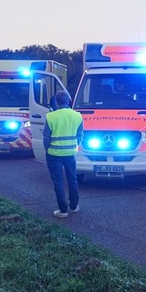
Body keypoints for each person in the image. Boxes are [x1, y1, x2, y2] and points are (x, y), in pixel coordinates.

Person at [44, 90, 84, 218]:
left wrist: (47, 150)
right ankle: (73, 206)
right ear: (69, 100)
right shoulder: (77, 116)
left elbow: (46, 137)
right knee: (72, 179)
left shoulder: (51, 116)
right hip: (70, 153)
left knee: (58, 182)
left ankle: (63, 210)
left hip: (54, 153)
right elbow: (80, 135)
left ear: (56, 101)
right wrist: (74, 145)